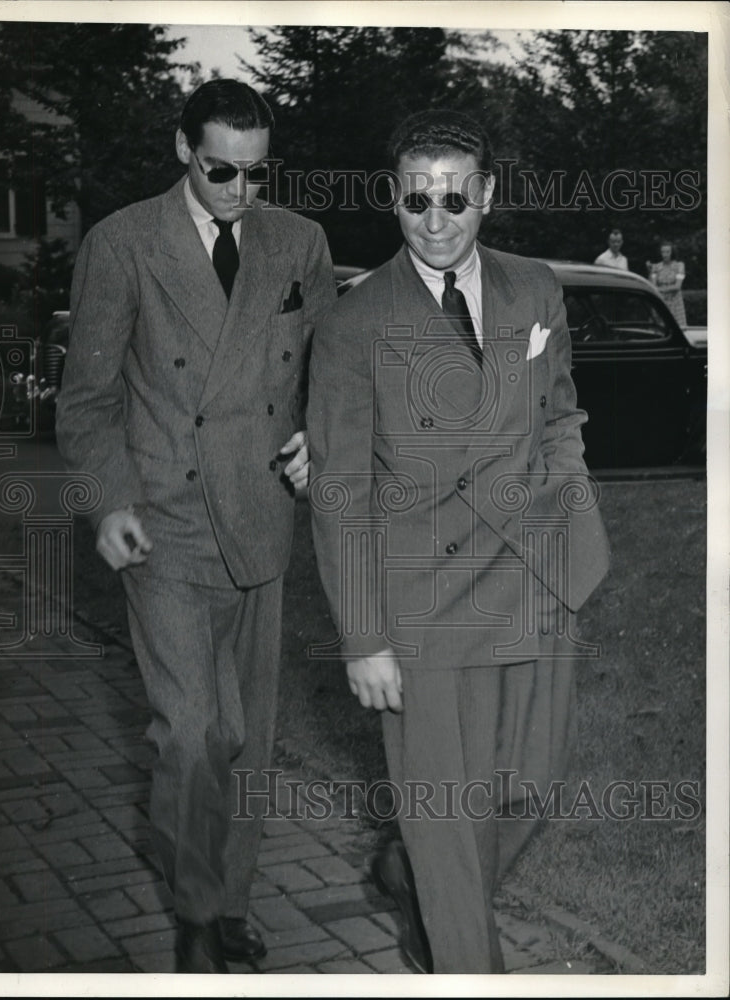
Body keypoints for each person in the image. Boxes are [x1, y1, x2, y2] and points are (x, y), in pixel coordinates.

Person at [307, 109, 610, 974]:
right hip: (421, 603)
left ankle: (407, 872)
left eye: (454, 201)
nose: (434, 222)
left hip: (536, 580)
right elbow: (338, 492)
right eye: (414, 202)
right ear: (393, 201)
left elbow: (561, 412)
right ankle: (462, 956)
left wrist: (570, 505)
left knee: (529, 788)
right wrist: (363, 637)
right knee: (446, 815)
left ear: (487, 196)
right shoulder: (354, 323)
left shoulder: (533, 288)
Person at [56, 79, 336, 974]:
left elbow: (333, 373)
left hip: (260, 519)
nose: (240, 190)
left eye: (257, 173)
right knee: (194, 730)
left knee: (247, 733)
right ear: (184, 149)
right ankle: (192, 901)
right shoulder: (123, 243)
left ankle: (233, 901)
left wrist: (317, 442)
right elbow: (88, 399)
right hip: (165, 523)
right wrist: (110, 503)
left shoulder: (299, 243)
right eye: (221, 169)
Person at [646, 240, 687, 328]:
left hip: (675, 303)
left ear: (672, 252)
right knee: (660, 329)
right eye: (663, 252)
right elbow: (652, 285)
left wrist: (660, 289)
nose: (665, 254)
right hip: (661, 301)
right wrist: (649, 271)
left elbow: (677, 286)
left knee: (677, 329)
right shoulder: (656, 267)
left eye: (667, 251)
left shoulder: (679, 266)